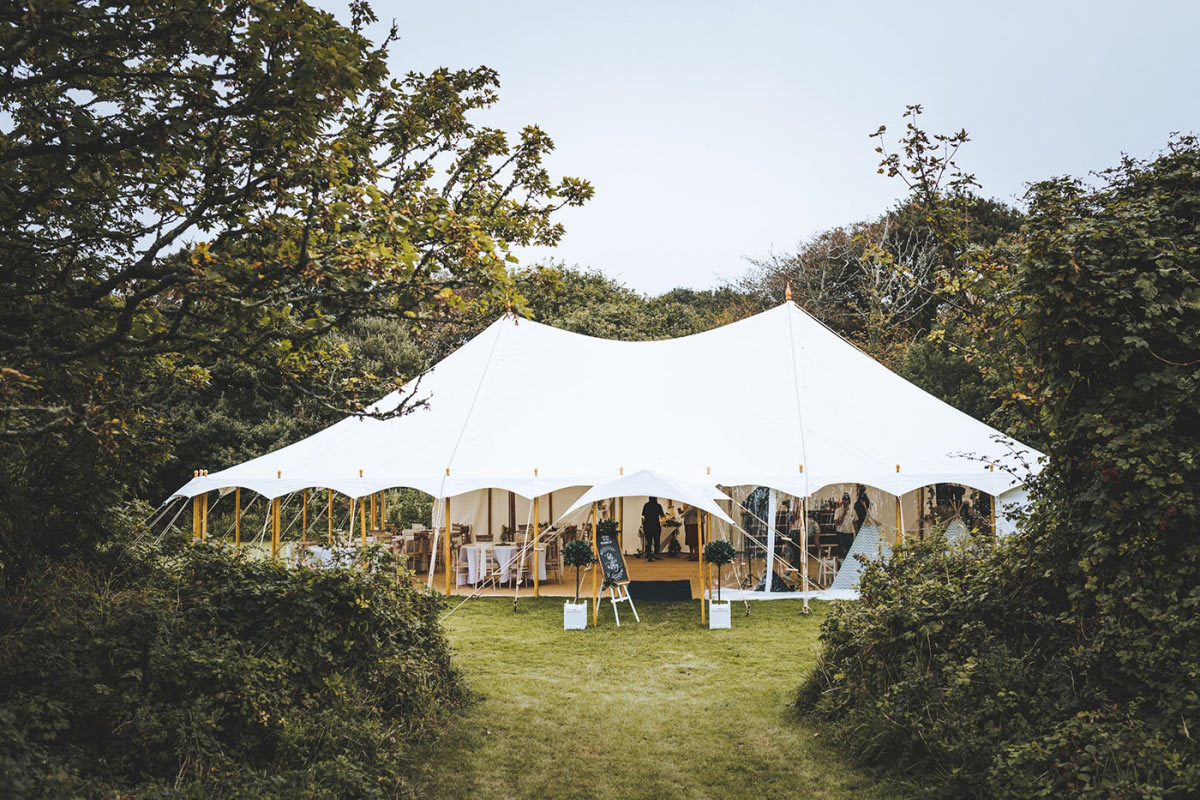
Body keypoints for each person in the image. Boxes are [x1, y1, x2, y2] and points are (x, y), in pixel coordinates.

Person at [641, 496, 664, 561]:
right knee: (657, 541)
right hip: (655, 525)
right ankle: (656, 554)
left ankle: (649, 554)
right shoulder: (658, 506)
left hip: (647, 525)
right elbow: (662, 515)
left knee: (649, 541)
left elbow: (643, 515)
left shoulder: (646, 505)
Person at [834, 491, 855, 559]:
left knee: (850, 551)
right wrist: (844, 513)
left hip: (850, 533)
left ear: (849, 501)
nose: (845, 501)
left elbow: (855, 522)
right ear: (842, 501)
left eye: (847, 500)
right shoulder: (838, 511)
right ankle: (841, 565)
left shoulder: (852, 511)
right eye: (844, 500)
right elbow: (836, 523)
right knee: (842, 551)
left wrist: (856, 533)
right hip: (841, 533)